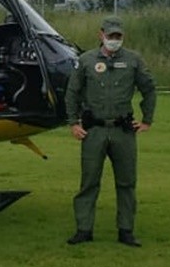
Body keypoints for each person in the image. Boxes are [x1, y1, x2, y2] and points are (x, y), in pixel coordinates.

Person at [63, 15, 157, 247]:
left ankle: (126, 230)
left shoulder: (134, 60)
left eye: (118, 36)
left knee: (126, 182)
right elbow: (72, 92)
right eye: (110, 35)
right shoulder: (85, 60)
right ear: (101, 34)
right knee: (89, 182)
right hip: (94, 130)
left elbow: (149, 88)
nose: (114, 40)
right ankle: (84, 229)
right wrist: (73, 123)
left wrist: (147, 120)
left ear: (122, 36)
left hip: (122, 130)